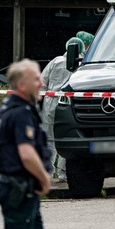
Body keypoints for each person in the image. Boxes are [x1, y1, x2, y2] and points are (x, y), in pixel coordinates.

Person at [0, 59, 52, 229]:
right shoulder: (21, 113)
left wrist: (5, 163)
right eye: (37, 79)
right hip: (20, 188)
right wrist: (44, 179)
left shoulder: (6, 107)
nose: (42, 83)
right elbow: (27, 155)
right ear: (22, 85)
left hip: (15, 185)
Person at [40, 37, 85, 182]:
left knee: (49, 138)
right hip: (67, 103)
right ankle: (62, 173)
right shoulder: (81, 65)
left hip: (49, 102)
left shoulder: (55, 61)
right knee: (66, 138)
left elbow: (42, 82)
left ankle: (47, 172)